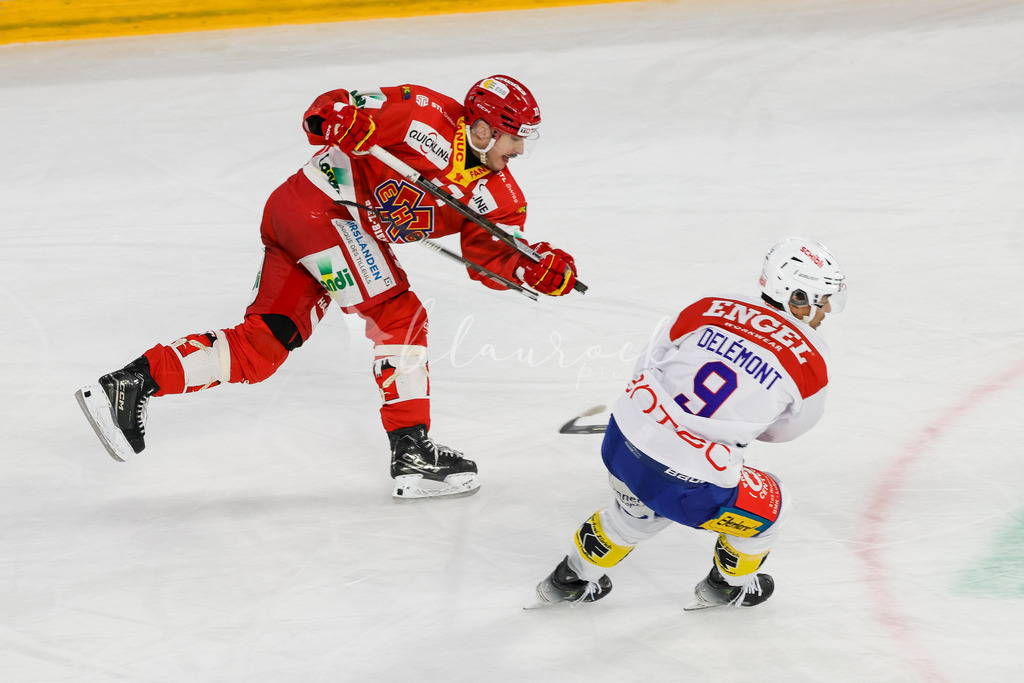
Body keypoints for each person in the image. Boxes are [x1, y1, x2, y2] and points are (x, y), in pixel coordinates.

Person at [75, 75, 580, 500]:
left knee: (262, 348)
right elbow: (328, 109)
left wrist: (531, 270)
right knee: (401, 316)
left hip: (314, 226)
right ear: (486, 129)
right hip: (317, 208)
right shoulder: (420, 112)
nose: (519, 150)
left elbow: (488, 258)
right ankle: (412, 452)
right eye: (516, 137)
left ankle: (131, 383)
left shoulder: (501, 195)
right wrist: (343, 120)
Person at [534, 238, 846, 609]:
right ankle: (727, 587)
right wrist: (738, 423)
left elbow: (648, 364)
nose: (827, 309)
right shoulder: (811, 359)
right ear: (796, 296)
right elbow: (786, 431)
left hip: (621, 442)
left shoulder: (709, 305)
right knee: (774, 508)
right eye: (822, 298)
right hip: (694, 482)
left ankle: (569, 578)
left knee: (634, 515)